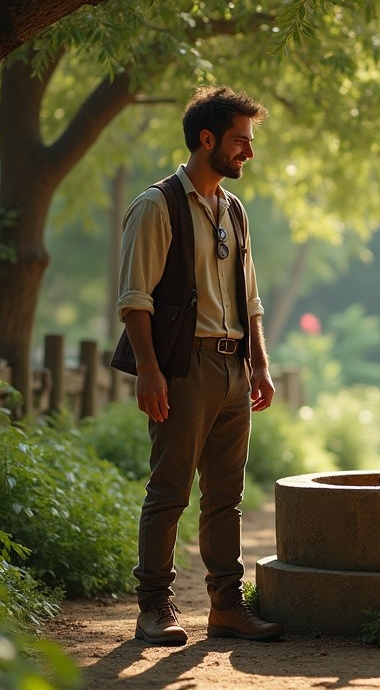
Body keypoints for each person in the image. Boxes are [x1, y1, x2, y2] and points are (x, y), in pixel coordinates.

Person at [115, 86, 283, 645]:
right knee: (169, 492)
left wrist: (258, 366)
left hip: (234, 369)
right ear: (206, 139)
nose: (248, 154)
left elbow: (249, 300)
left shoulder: (233, 209)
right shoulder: (155, 205)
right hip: (182, 370)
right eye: (240, 141)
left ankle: (225, 606)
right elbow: (135, 299)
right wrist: (150, 371)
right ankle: (154, 607)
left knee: (225, 498)